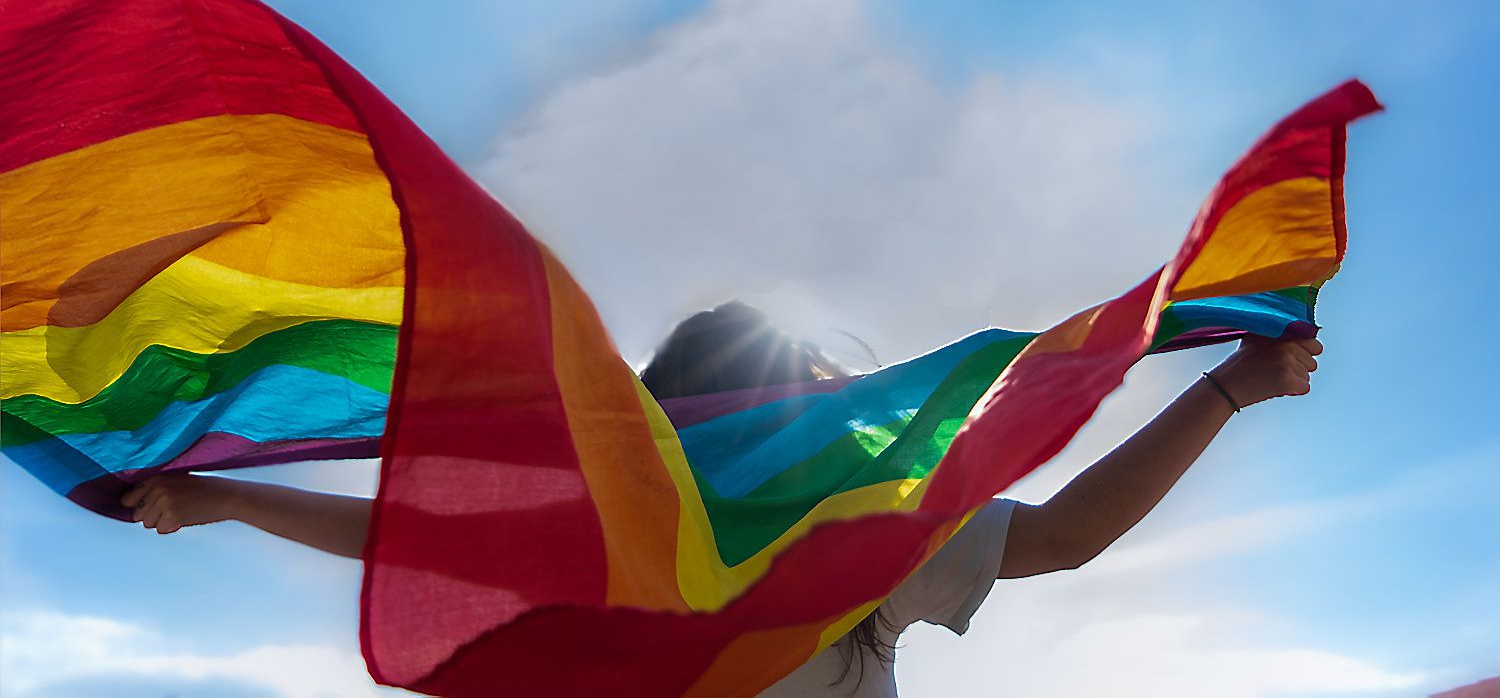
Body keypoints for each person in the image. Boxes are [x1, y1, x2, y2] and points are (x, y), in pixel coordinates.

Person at [122, 300, 1323, 697]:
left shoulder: (863, 531)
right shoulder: (645, 533)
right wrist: (1227, 387)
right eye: (798, 392)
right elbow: (423, 532)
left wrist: (1224, 384)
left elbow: (1062, 535)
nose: (824, 408)